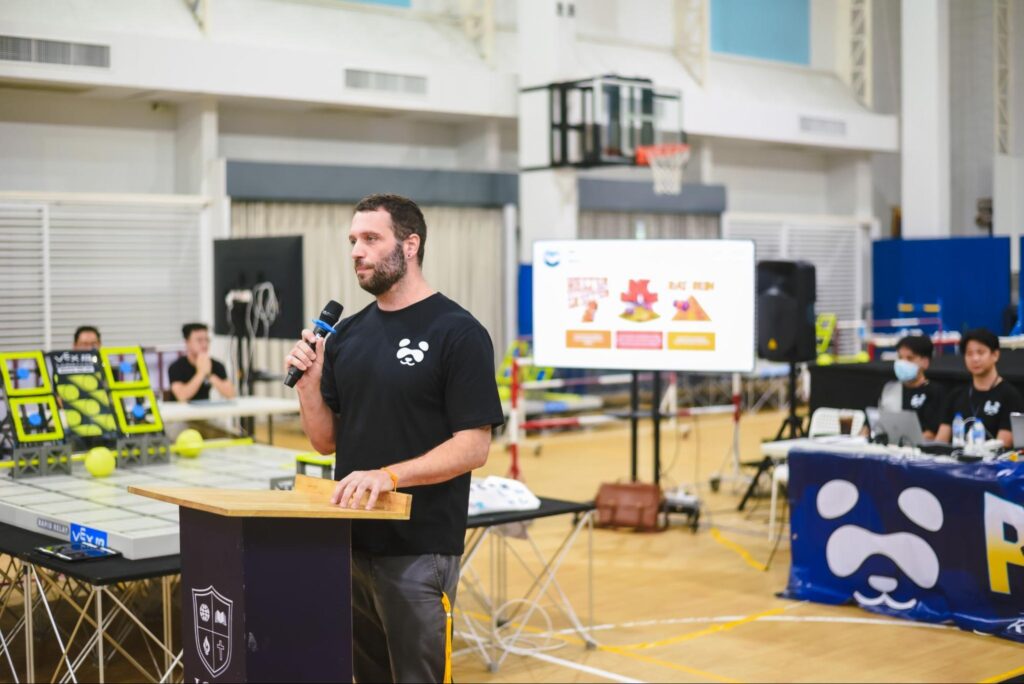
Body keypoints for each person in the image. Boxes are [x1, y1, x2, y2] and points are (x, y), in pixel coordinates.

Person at [285, 193, 503, 683]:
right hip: (351, 541)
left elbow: (474, 446)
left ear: (410, 245)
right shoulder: (347, 336)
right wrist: (310, 384)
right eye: (352, 241)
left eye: (369, 239)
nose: (356, 251)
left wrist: (388, 476)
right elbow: (325, 442)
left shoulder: (458, 332)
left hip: (418, 547)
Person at [936, 328, 1024, 448]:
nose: (975, 359)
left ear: (995, 355)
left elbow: (1003, 444)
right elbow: (940, 441)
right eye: (969, 354)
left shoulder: (1010, 395)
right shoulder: (955, 395)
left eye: (980, 352)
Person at [877, 335, 944, 439]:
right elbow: (874, 423)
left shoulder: (935, 391)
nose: (902, 363)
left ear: (925, 362)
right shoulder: (889, 389)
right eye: (900, 357)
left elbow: (931, 433)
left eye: (910, 358)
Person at [168, 323, 236, 402]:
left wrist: (209, 375)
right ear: (187, 343)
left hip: (205, 411)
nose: (204, 344)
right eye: (199, 340)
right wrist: (201, 373)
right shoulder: (176, 367)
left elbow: (231, 394)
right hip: (180, 412)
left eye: (207, 340)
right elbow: (182, 396)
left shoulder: (216, 365)